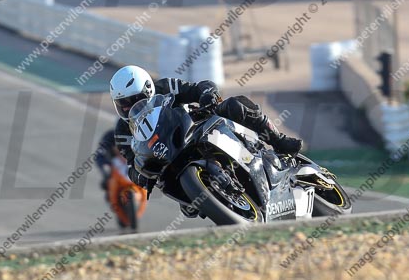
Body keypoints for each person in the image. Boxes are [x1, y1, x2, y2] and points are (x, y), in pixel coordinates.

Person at [110, 65, 303, 209]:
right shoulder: (122, 130)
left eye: (131, 101)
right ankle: (209, 198)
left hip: (193, 128)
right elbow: (131, 163)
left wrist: (208, 95)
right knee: (186, 205)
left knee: (235, 105)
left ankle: (278, 140)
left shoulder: (166, 87)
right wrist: (140, 176)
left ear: (147, 90)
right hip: (167, 161)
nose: (127, 108)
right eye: (121, 104)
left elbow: (199, 87)